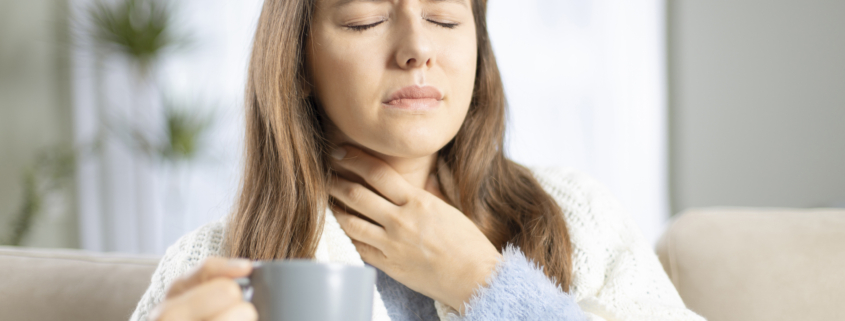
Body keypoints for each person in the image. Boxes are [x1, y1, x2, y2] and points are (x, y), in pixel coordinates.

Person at [131, 0, 705, 320]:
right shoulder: (212, 261)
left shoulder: (580, 217)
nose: (417, 49)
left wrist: (485, 283)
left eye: (445, 19)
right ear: (299, 62)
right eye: (365, 20)